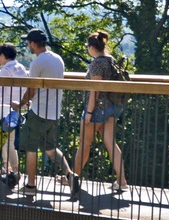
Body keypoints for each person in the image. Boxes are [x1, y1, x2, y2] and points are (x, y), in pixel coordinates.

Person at [14, 29, 75, 197]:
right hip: (54, 113)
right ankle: (70, 176)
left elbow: (31, 90)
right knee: (50, 148)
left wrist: (20, 104)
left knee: (31, 148)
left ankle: (31, 186)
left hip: (39, 112)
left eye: (28, 43)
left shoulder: (37, 63)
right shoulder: (57, 59)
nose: (28, 46)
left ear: (33, 44)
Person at [72, 30, 128, 195]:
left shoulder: (97, 63)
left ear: (91, 47)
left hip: (98, 108)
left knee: (84, 144)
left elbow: (95, 89)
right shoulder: (111, 60)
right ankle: (122, 181)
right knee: (111, 143)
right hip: (113, 106)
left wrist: (89, 112)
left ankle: (72, 179)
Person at [0, 43, 28, 175]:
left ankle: (13, 169)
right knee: (8, 139)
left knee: (6, 140)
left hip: (7, 108)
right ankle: (8, 167)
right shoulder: (21, 67)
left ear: (3, 55)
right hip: (19, 107)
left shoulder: (5, 70)